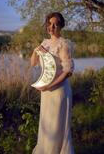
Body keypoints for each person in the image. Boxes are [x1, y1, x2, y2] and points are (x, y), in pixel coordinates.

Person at [31, 12, 75, 154]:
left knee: (56, 127)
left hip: (58, 91)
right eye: (49, 23)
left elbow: (68, 71)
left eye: (56, 24)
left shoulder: (64, 44)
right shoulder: (45, 43)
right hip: (46, 91)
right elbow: (33, 64)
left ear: (61, 26)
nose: (52, 26)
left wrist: (49, 86)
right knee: (47, 125)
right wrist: (35, 51)